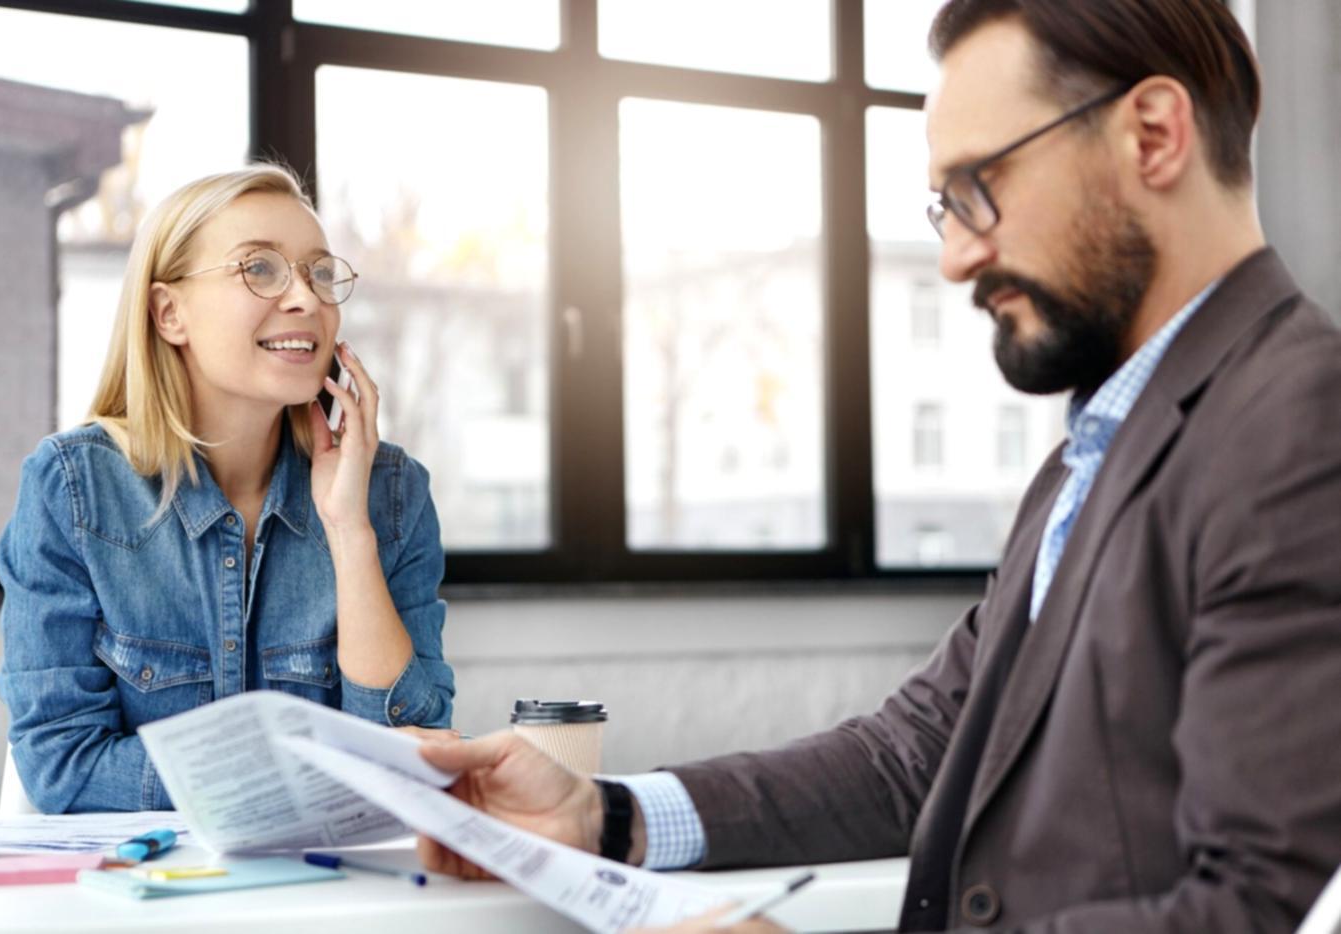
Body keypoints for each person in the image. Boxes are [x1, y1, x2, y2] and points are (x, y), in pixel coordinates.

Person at [415, 1, 1341, 930]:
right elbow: (918, 752)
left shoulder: (1301, 427)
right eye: (946, 208)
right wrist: (605, 815)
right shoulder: (1091, 455)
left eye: (980, 185)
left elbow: (1265, 907)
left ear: (1153, 136)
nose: (956, 259)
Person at [0, 164, 455, 814]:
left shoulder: (392, 494)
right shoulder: (72, 490)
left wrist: (349, 530)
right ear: (169, 313)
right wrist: (301, 770)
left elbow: (415, 753)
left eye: (320, 273)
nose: (306, 299)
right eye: (260, 268)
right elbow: (63, 766)